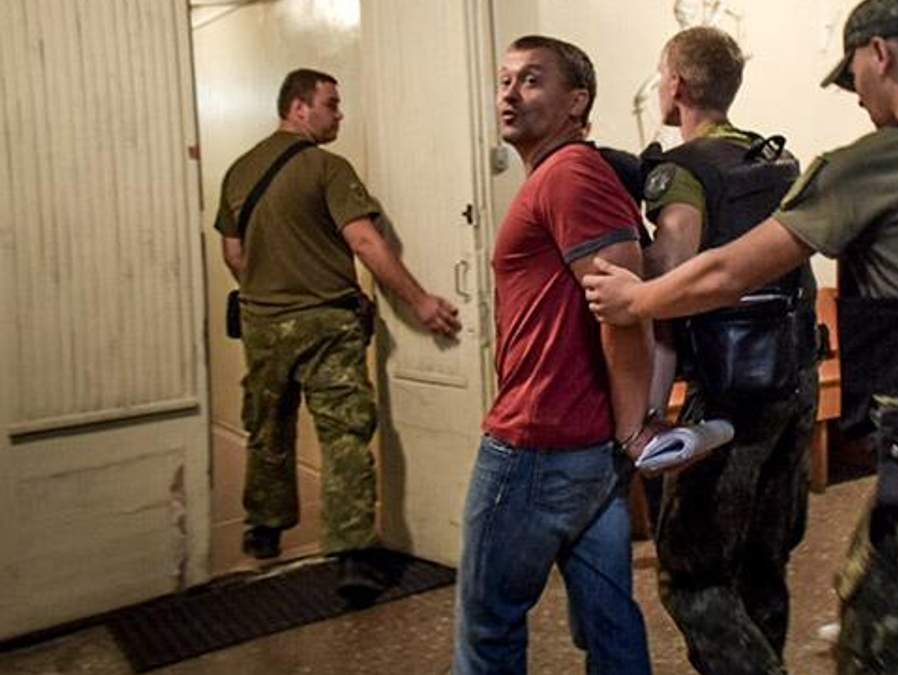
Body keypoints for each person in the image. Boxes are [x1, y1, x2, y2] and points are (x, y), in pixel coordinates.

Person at [583, 0, 898, 672]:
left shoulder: (882, 157)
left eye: (853, 75)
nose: (857, 96)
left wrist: (635, 299)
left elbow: (730, 270)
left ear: (878, 54)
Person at [215, 68, 461, 607]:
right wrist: (419, 301)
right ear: (299, 108)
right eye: (331, 104)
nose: (339, 115)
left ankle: (265, 528)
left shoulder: (239, 170)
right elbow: (366, 243)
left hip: (262, 323)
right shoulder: (328, 168)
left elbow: (234, 254)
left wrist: (271, 288)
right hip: (327, 323)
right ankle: (352, 555)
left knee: (267, 424)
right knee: (344, 433)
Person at [452, 36, 653, 675]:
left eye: (532, 80)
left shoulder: (570, 175)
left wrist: (632, 429)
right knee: (610, 625)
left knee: (488, 630)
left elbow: (624, 308)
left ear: (577, 102)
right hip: (583, 444)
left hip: (537, 443)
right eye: (505, 80)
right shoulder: (559, 176)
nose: (510, 94)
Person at [638, 26, 819, 674]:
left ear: (678, 85)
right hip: (797, 376)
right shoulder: (776, 158)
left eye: (662, 76)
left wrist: (647, 411)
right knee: (763, 562)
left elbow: (666, 285)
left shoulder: (684, 171)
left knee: (692, 575)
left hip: (730, 393)